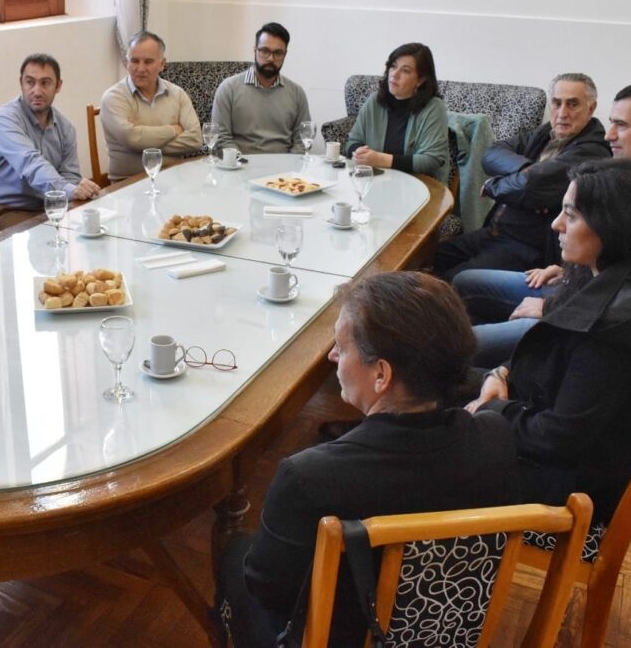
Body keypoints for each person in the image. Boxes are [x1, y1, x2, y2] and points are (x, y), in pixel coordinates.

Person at [217, 272, 520, 646]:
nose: (331, 356)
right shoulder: (496, 439)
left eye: (342, 348)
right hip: (446, 631)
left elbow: (268, 591)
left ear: (381, 374)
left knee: (234, 555)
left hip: (346, 636)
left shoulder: (308, 478)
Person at [467, 159, 631, 522]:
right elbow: (553, 363)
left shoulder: (613, 331)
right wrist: (501, 376)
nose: (556, 224)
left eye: (570, 215)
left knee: (425, 429)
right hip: (566, 432)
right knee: (442, 378)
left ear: (612, 227)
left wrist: (493, 410)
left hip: (570, 488)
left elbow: (556, 437)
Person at [455, 80, 631, 366]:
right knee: (465, 281)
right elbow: (615, 257)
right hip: (580, 288)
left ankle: (490, 366)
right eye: (611, 122)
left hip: (592, 319)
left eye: (621, 126)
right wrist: (567, 270)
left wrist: (551, 306)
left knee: (456, 348)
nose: (610, 135)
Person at [432, 73, 611, 281]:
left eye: (572, 104)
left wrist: (493, 185)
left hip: (525, 246)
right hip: (494, 231)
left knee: (455, 281)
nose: (562, 113)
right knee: (433, 256)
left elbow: (530, 185)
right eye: (557, 103)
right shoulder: (547, 133)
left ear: (591, 108)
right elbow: (491, 153)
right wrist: (528, 169)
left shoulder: (593, 151)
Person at [0, 53, 101, 234]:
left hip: (50, 206)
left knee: (94, 229)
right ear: (21, 82)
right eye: (30, 82)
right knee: (48, 239)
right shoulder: (5, 119)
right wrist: (69, 190)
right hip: (7, 211)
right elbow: (31, 164)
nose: (37, 91)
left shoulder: (65, 127)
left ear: (58, 86)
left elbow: (69, 174)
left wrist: (80, 188)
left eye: (45, 83)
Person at [100, 31, 203, 181]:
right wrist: (174, 130)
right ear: (127, 62)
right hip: (128, 184)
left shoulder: (177, 94)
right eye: (134, 61)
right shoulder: (113, 97)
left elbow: (195, 139)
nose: (140, 68)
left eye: (148, 62)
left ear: (162, 64)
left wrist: (141, 144)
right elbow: (131, 137)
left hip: (174, 180)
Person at [345, 42, 449, 183]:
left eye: (405, 71)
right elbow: (353, 141)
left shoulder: (434, 108)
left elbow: (431, 161)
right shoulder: (374, 102)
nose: (394, 74)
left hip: (420, 187)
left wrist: (380, 159)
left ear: (420, 80)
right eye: (393, 66)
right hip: (375, 183)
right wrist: (359, 153)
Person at [211, 22, 311, 155]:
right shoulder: (228, 89)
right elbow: (221, 138)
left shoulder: (297, 93)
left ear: (285, 54)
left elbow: (302, 141)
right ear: (255, 50)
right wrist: (242, 164)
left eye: (278, 53)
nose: (270, 58)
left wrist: (289, 168)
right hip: (240, 168)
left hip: (283, 171)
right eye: (264, 51)